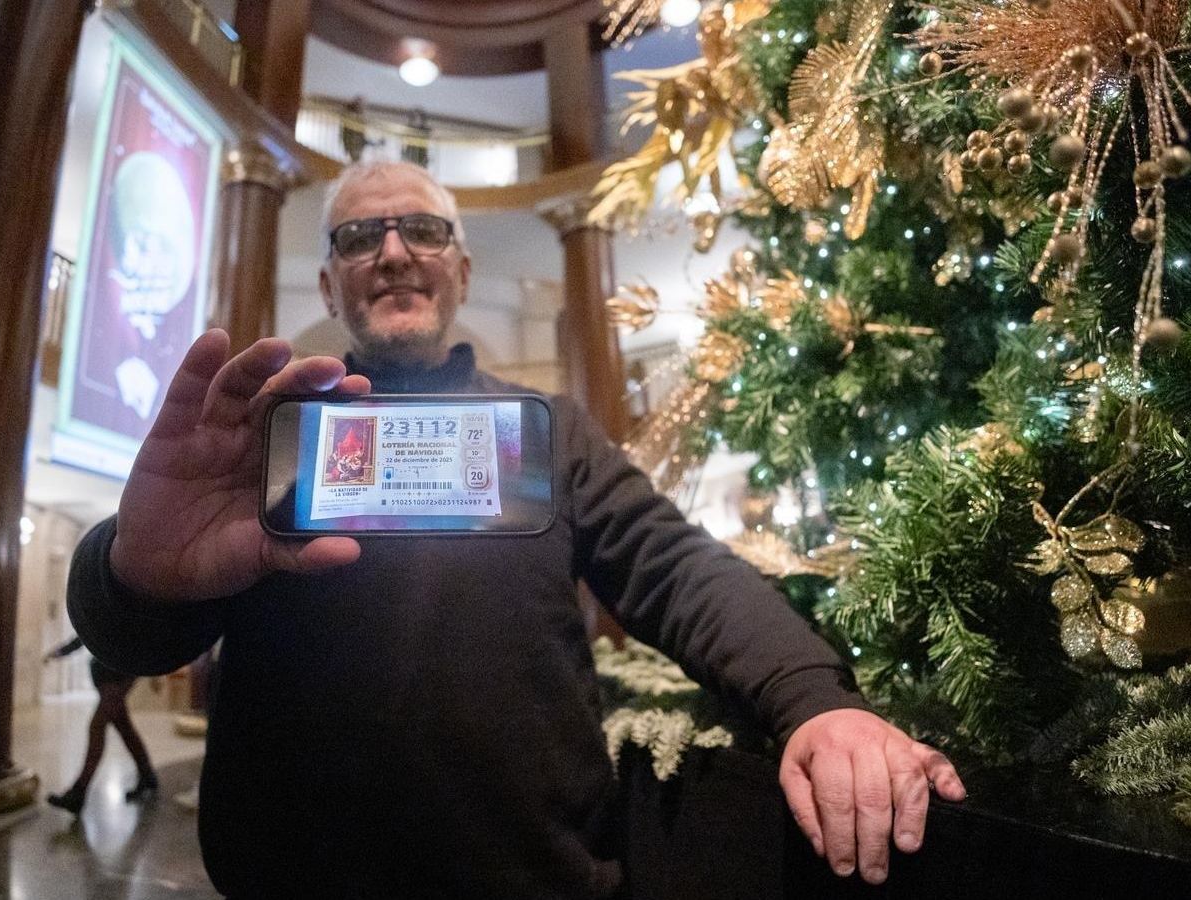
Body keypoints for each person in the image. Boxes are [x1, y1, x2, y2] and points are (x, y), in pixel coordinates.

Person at [67, 160, 964, 898]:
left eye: (423, 231)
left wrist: (814, 701)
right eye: (358, 236)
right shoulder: (273, 433)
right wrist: (131, 571)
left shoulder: (549, 428)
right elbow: (141, 625)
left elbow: (675, 569)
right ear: (328, 283)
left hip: (538, 881)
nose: (392, 252)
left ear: (460, 270)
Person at [43, 634, 159, 815]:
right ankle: (147, 775)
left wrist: (154, 671)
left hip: (120, 675)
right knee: (124, 728)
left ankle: (79, 791)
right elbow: (87, 631)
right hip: (109, 675)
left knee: (97, 726)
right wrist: (60, 651)